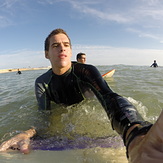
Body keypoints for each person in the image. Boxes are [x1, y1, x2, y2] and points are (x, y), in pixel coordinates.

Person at [0, 28, 163, 162]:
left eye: (65, 45)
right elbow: (43, 117)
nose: (62, 48)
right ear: (47, 54)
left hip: (85, 103)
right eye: (55, 45)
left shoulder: (86, 71)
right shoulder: (42, 83)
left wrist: (134, 131)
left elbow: (109, 98)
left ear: (70, 51)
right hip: (61, 108)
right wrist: (27, 133)